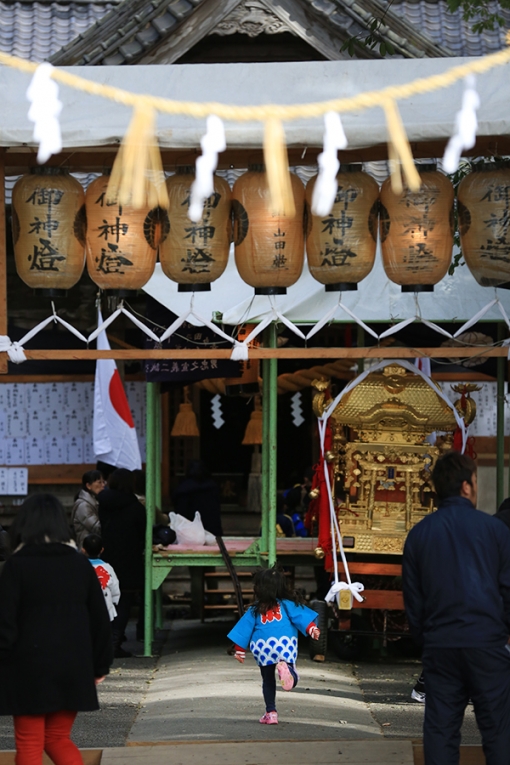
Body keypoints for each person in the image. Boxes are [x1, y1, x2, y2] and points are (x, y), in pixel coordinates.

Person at [403, 451, 510, 765]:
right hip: (487, 642)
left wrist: (426, 640)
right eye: (475, 482)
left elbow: (413, 598)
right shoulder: (495, 531)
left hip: (441, 644)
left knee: (441, 729)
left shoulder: (419, 535)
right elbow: (508, 589)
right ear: (466, 486)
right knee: (498, 730)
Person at [0, 493, 113, 765]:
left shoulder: (16, 566)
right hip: (73, 666)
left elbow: (5, 623)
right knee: (57, 738)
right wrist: (100, 666)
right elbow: (100, 619)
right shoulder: (79, 565)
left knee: (30, 744)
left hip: (28, 668)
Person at [227, 566, 320, 725]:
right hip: (285, 644)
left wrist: (240, 650)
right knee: (291, 672)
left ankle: (271, 713)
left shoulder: (255, 609)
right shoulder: (287, 604)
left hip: (263, 648)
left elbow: (244, 629)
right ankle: (288, 669)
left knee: (268, 680)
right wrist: (311, 628)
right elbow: (301, 617)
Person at [98, 468, 146, 658]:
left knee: (106, 600)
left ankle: (105, 642)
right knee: (124, 600)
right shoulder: (136, 507)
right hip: (129, 558)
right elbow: (143, 533)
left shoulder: (103, 503)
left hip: (107, 556)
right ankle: (115, 642)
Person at [173, 460, 222, 537]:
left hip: (189, 533)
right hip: (213, 532)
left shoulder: (183, 489)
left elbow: (180, 514)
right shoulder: (213, 487)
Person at [82, 533, 121, 621]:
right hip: (105, 607)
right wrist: (115, 600)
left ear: (83, 550)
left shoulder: (80, 567)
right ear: (102, 550)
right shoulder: (108, 568)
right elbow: (115, 587)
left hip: (85, 609)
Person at [71, 470, 105, 549]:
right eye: (99, 482)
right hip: (88, 549)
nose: (103, 485)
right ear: (88, 485)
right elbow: (97, 528)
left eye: (104, 482)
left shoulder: (96, 500)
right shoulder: (83, 505)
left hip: (95, 548)